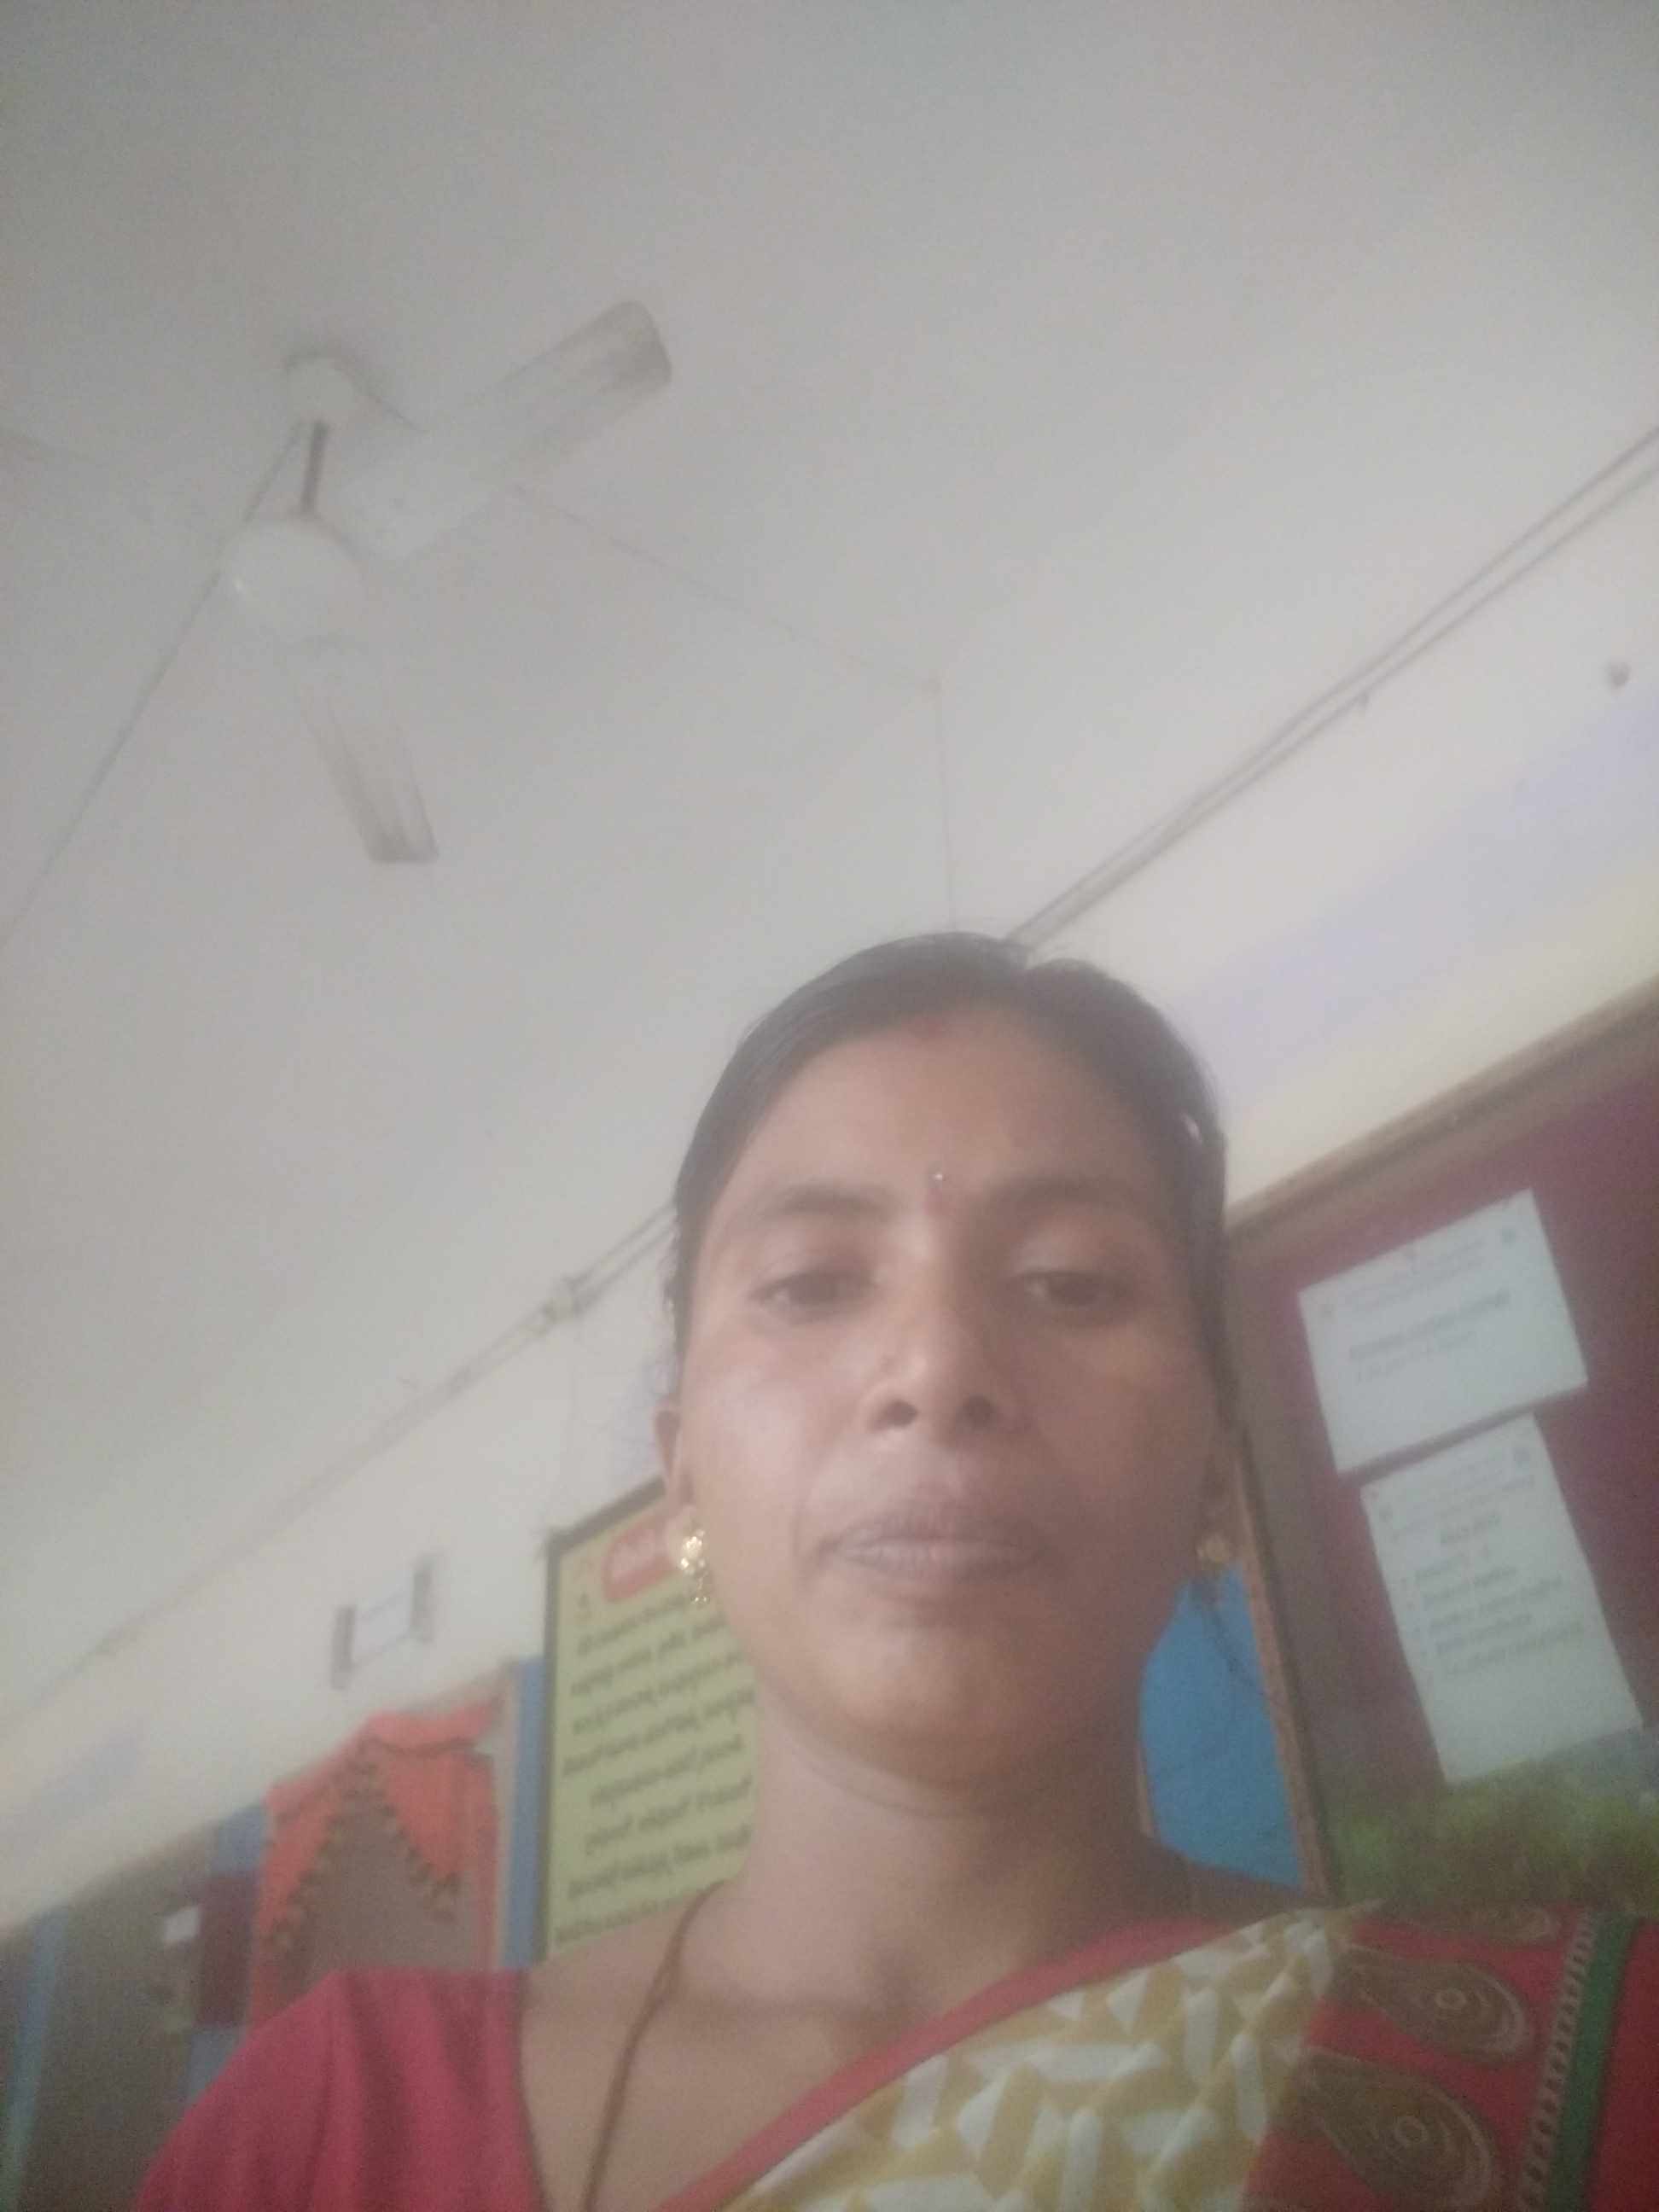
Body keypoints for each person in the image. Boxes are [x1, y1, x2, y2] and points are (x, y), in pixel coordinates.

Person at [139, 935, 1656, 2209]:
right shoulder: (328, 2130)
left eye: (1070, 1282)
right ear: (682, 1472)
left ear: (1214, 1471)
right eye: (810, 1284)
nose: (936, 1370)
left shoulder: (1571, 2084)